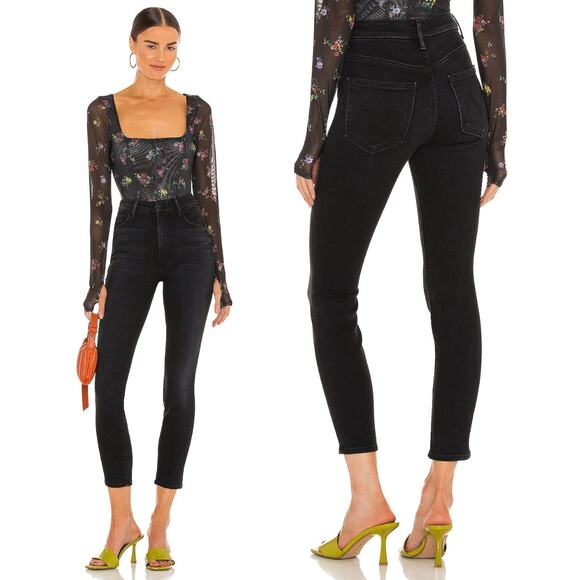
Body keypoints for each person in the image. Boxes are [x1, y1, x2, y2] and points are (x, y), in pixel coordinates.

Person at [294, 0, 506, 567]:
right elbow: (487, 16)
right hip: (457, 81)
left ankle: (367, 498)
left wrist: (313, 140)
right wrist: (498, 132)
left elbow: (333, 20)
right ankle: (439, 497)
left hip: (375, 79)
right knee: (453, 293)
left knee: (332, 294)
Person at [84, 7, 232, 571]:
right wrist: (95, 281)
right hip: (132, 237)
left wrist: (222, 273)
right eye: (151, 45)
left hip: (191, 237)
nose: (161, 57)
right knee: (109, 386)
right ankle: (121, 522)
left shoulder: (197, 110)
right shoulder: (103, 111)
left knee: (179, 388)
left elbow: (209, 189)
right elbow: (99, 199)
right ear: (132, 45)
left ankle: (161, 523)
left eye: (171, 46)